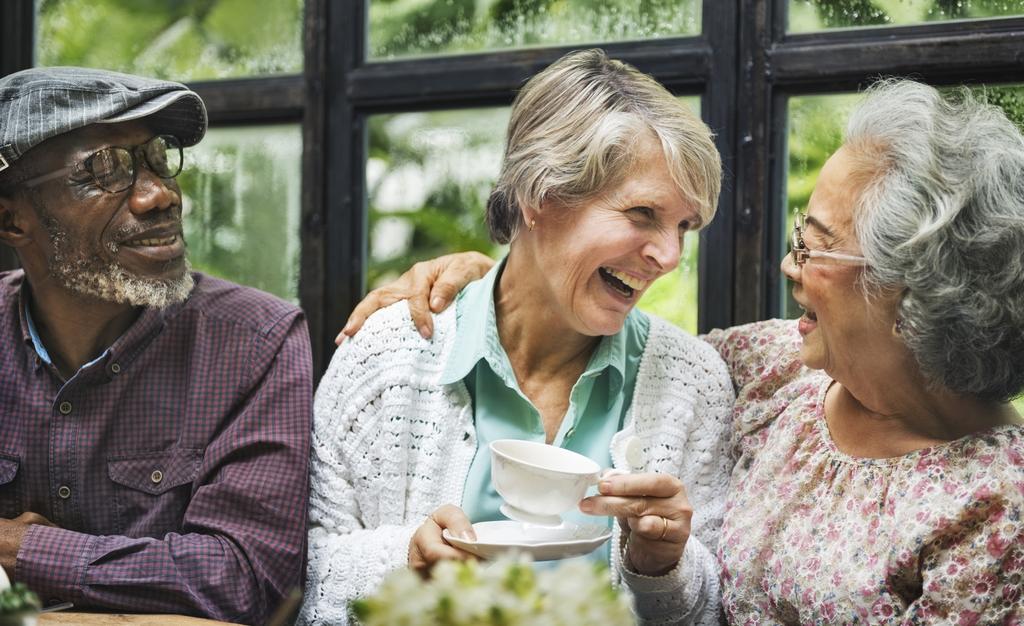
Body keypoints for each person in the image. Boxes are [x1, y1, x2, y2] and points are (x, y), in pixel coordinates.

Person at [345, 79, 1024, 622]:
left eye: (813, 243)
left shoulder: (995, 506)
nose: (790, 266)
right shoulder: (775, 371)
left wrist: (662, 566)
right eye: (799, 233)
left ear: (907, 291)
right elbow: (577, 322)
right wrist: (471, 276)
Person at [301, 49, 735, 625]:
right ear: (540, 195)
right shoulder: (388, 357)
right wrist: (404, 563)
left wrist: (662, 567)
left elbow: (716, 609)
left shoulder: (694, 382)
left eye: (684, 226)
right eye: (642, 214)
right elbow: (301, 577)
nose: (669, 256)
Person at [0, 67, 312, 624]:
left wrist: (21, 551)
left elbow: (248, 579)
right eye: (104, 170)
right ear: (10, 218)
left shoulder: (257, 341)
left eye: (157, 159)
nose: (160, 194)